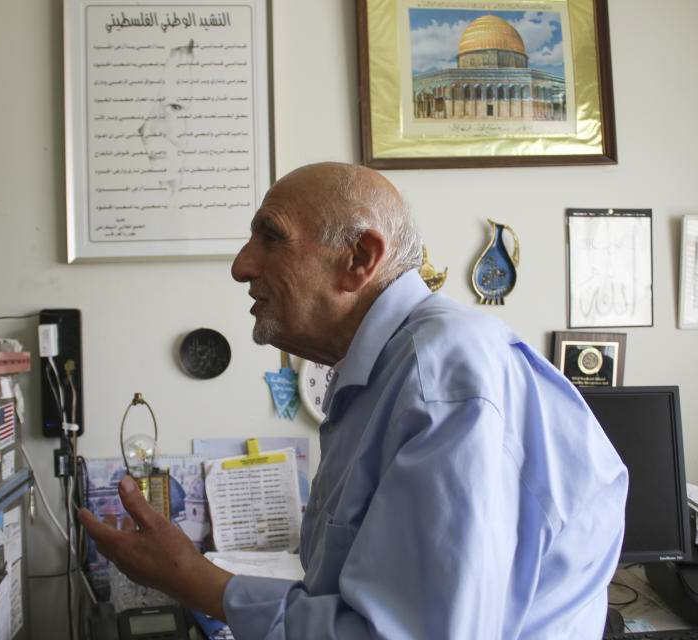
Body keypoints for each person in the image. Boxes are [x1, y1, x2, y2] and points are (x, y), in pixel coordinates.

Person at [79, 162, 629, 639]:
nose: (241, 266)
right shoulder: (387, 373)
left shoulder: (440, 380)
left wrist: (199, 583)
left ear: (360, 258)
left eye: (270, 237)